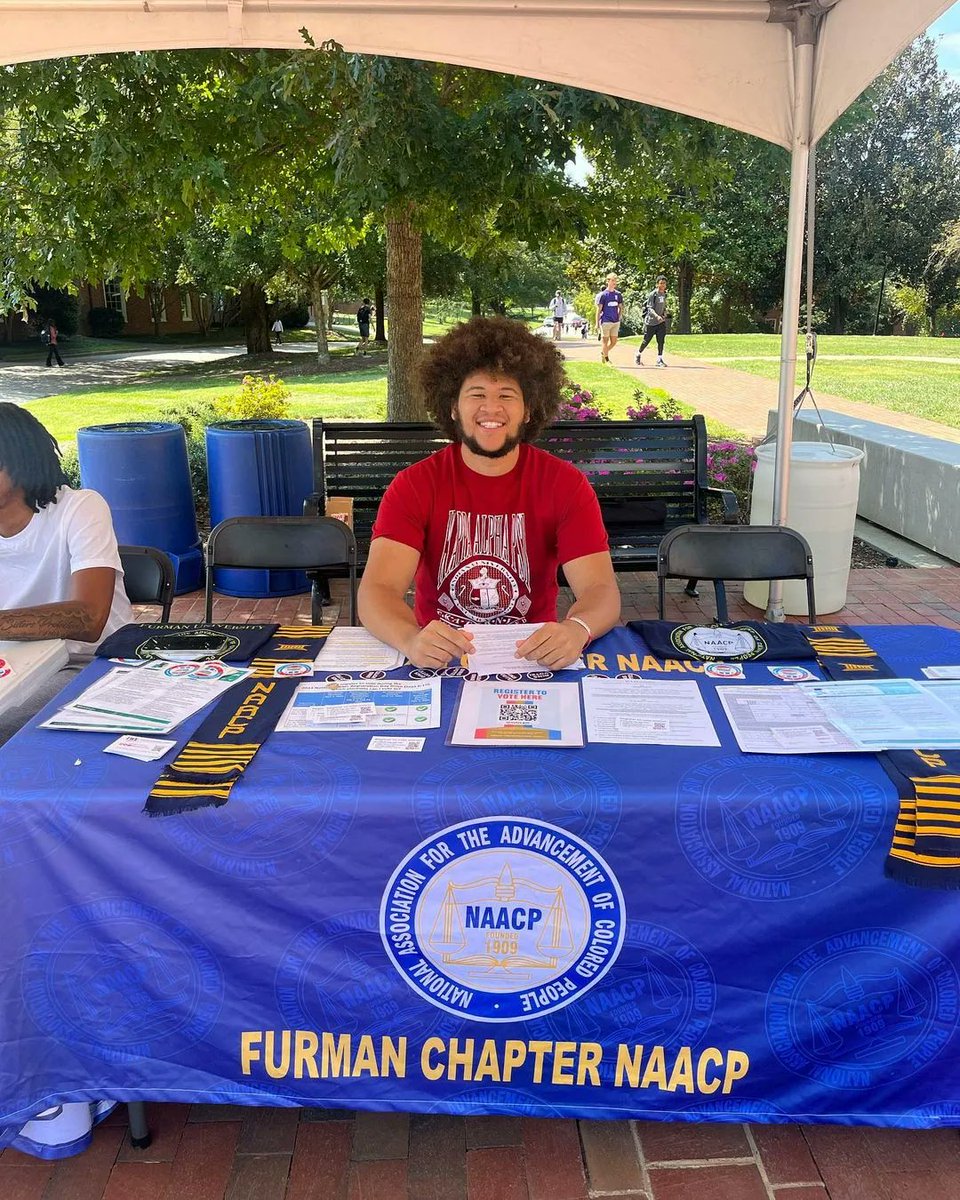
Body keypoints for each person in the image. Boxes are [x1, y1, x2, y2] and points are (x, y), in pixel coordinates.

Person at [357, 317, 621, 670]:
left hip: (531, 660)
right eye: (477, 394)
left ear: (529, 409)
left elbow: (600, 590)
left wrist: (577, 629)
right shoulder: (415, 485)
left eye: (506, 395)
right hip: (441, 660)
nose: (491, 408)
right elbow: (378, 590)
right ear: (453, 407)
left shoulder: (565, 485)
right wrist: (410, 638)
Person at [0, 404, 132, 659]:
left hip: (89, 663)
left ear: (21, 460)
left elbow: (89, 618)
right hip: (16, 666)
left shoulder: (80, 508)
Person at [636, 275, 669, 367]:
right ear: (657, 284)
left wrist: (664, 313)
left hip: (661, 322)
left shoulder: (664, 294)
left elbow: (663, 306)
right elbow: (650, 308)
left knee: (661, 340)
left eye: (664, 283)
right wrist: (656, 316)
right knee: (646, 340)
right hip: (651, 322)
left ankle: (659, 359)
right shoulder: (653, 294)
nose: (662, 285)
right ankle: (638, 354)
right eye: (661, 283)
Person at [595, 273, 623, 364]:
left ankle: (604, 352)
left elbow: (621, 307)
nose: (614, 282)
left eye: (615, 280)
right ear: (608, 281)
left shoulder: (618, 294)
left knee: (614, 342)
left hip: (615, 322)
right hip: (605, 321)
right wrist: (597, 323)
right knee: (605, 341)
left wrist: (619, 317)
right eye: (612, 280)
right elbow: (599, 310)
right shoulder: (603, 295)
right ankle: (607, 359)